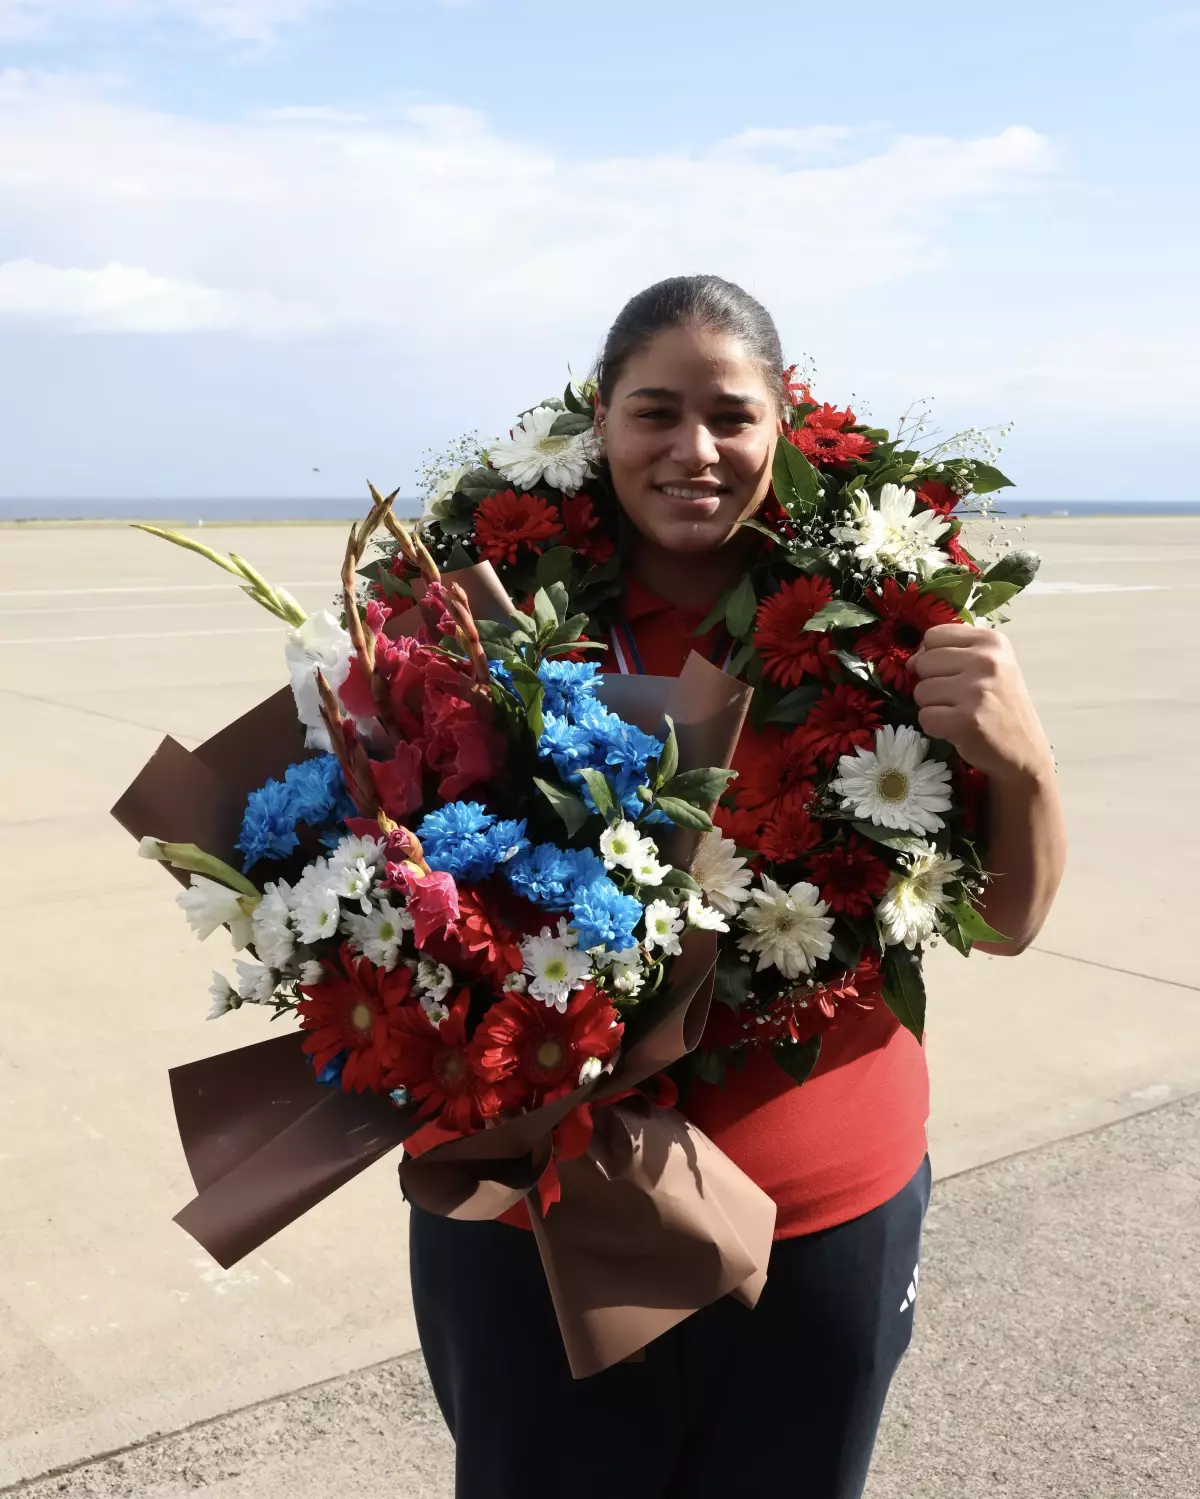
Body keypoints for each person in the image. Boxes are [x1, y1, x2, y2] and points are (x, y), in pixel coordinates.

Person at [408, 276, 1068, 1499]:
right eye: (655, 412)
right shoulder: (478, 609)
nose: (694, 450)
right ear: (598, 421)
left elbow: (1013, 919)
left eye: (731, 415)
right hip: (534, 1209)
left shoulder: (893, 624)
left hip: (819, 1214)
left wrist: (1023, 758)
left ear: (785, 422)